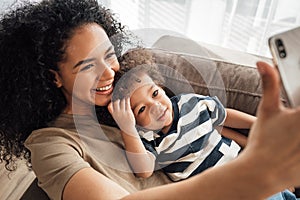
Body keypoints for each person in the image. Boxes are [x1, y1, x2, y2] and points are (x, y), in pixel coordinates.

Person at [0, 0, 299, 200]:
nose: (108, 73)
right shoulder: (49, 145)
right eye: (87, 66)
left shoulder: (127, 90)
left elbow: (198, 125)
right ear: (54, 76)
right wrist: (251, 173)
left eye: (109, 56)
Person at [109, 64, 254, 180]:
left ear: (161, 87)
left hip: (239, 164)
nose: (155, 107)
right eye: (141, 109)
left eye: (155, 94)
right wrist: (127, 128)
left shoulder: (189, 103)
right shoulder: (146, 137)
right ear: (133, 120)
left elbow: (223, 115)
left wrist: (257, 122)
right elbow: (144, 171)